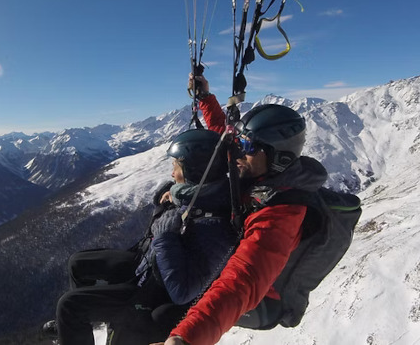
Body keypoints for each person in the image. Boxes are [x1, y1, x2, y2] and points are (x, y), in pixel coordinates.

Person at [152, 74, 329, 345]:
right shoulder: (256, 167)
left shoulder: (283, 213)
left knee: (155, 315)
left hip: (257, 300)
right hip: (221, 261)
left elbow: (241, 280)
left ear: (275, 156)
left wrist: (186, 339)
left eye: (246, 146)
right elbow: (225, 137)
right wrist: (205, 98)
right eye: (240, 143)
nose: (236, 152)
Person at [46, 128, 237, 345]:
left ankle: (77, 321)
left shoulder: (216, 228)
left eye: (176, 167)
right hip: (145, 266)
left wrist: (165, 237)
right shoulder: (196, 195)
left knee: (69, 306)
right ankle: (86, 323)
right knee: (78, 264)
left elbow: (182, 292)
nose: (172, 174)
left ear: (195, 171)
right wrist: (169, 200)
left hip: (150, 292)